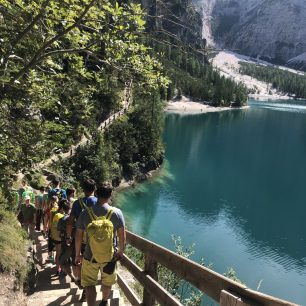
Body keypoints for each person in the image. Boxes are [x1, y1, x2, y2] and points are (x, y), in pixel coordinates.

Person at [75, 183, 126, 306]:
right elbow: (122, 236)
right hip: (109, 256)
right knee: (107, 282)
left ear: (96, 194)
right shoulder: (117, 213)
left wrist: (77, 255)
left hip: (89, 256)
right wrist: (120, 252)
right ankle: (104, 301)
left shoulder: (85, 213)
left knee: (89, 284)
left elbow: (78, 236)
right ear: (110, 195)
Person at [66, 179, 97, 293]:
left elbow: (70, 221)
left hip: (80, 238)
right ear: (94, 189)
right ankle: (89, 284)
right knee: (91, 261)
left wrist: (68, 237)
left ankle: (80, 280)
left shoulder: (77, 203)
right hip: (95, 239)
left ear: (83, 190)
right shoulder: (99, 202)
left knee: (78, 259)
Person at [51, 199, 70, 276]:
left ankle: (57, 269)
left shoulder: (56, 215)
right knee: (62, 254)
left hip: (55, 237)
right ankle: (62, 269)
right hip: (61, 238)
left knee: (57, 253)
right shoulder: (63, 217)